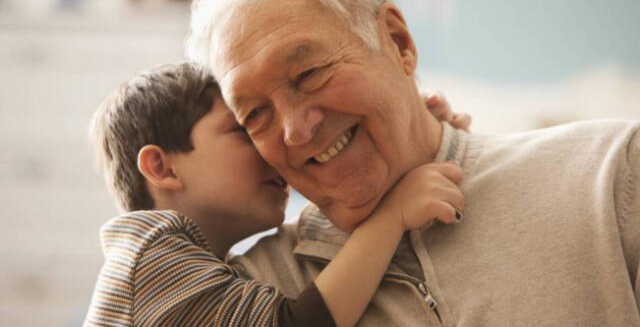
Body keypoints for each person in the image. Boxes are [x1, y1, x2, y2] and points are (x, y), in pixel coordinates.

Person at [186, 0, 640, 325]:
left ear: (398, 43)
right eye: (255, 116)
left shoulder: (610, 175)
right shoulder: (249, 291)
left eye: (308, 74)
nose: (296, 132)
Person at [83, 62, 469, 327]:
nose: (274, 147)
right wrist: (393, 215)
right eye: (246, 130)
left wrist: (413, 144)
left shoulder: (190, 263)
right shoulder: (150, 261)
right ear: (162, 168)